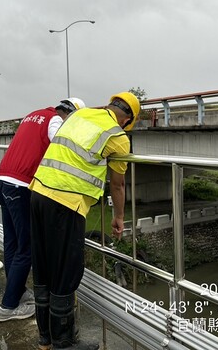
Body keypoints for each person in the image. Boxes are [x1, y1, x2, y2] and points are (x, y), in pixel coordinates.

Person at [29, 92, 140, 349]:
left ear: (110, 105)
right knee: (66, 271)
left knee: (43, 267)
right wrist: (119, 217)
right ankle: (64, 342)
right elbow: (118, 183)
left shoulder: (79, 114)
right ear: (127, 120)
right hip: (65, 203)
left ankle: (45, 338)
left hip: (38, 193)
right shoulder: (117, 136)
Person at [0, 97, 87, 322]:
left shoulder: (33, 115)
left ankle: (16, 292)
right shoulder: (55, 120)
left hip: (3, 180)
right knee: (27, 248)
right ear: (71, 115)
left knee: (13, 243)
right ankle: (7, 307)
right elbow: (62, 145)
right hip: (22, 185)